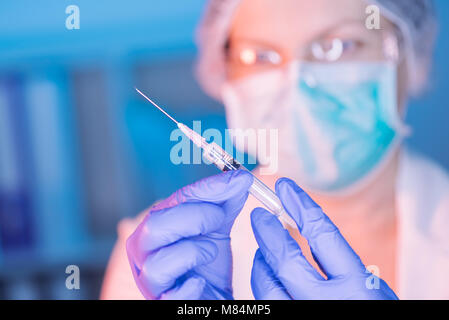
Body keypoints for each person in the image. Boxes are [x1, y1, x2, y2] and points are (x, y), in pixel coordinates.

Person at [101, 0, 449, 300]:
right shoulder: (163, 259)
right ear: (224, 73)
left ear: (406, 57)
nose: (294, 82)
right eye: (259, 56)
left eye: (339, 46)